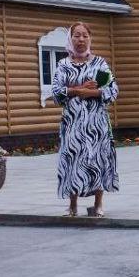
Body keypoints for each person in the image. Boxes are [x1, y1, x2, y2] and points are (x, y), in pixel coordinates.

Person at [52, 22, 119, 217]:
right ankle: (72, 205)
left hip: (96, 122)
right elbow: (56, 92)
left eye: (84, 36)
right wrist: (79, 89)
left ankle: (98, 204)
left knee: (97, 158)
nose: (80, 40)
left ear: (90, 38)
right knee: (72, 158)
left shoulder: (100, 64)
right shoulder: (63, 64)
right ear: (70, 39)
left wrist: (91, 93)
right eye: (76, 36)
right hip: (72, 122)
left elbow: (112, 89)